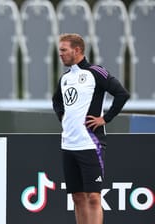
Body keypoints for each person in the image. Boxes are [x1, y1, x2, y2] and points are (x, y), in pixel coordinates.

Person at [52, 33, 130, 224]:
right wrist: (64, 118)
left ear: (77, 50)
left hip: (90, 144)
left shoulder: (96, 72)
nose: (60, 54)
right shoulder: (65, 78)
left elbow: (122, 94)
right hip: (68, 145)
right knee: (77, 197)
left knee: (93, 197)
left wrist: (105, 119)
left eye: (64, 50)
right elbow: (56, 101)